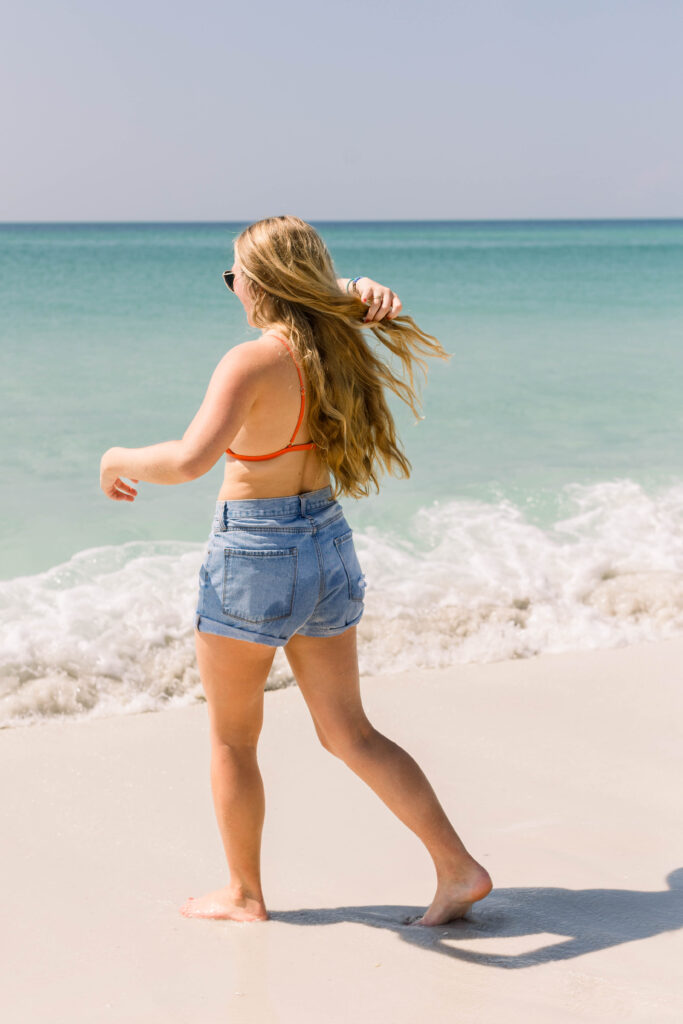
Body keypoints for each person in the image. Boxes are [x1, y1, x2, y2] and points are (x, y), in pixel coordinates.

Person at [100, 215, 493, 926]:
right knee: (351, 733)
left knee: (231, 738)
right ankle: (456, 867)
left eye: (234, 276)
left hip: (254, 553)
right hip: (326, 540)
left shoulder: (250, 360)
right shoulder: (335, 343)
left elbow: (190, 460)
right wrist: (352, 288)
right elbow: (329, 300)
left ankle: (244, 894)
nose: (233, 290)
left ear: (260, 281)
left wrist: (116, 458)